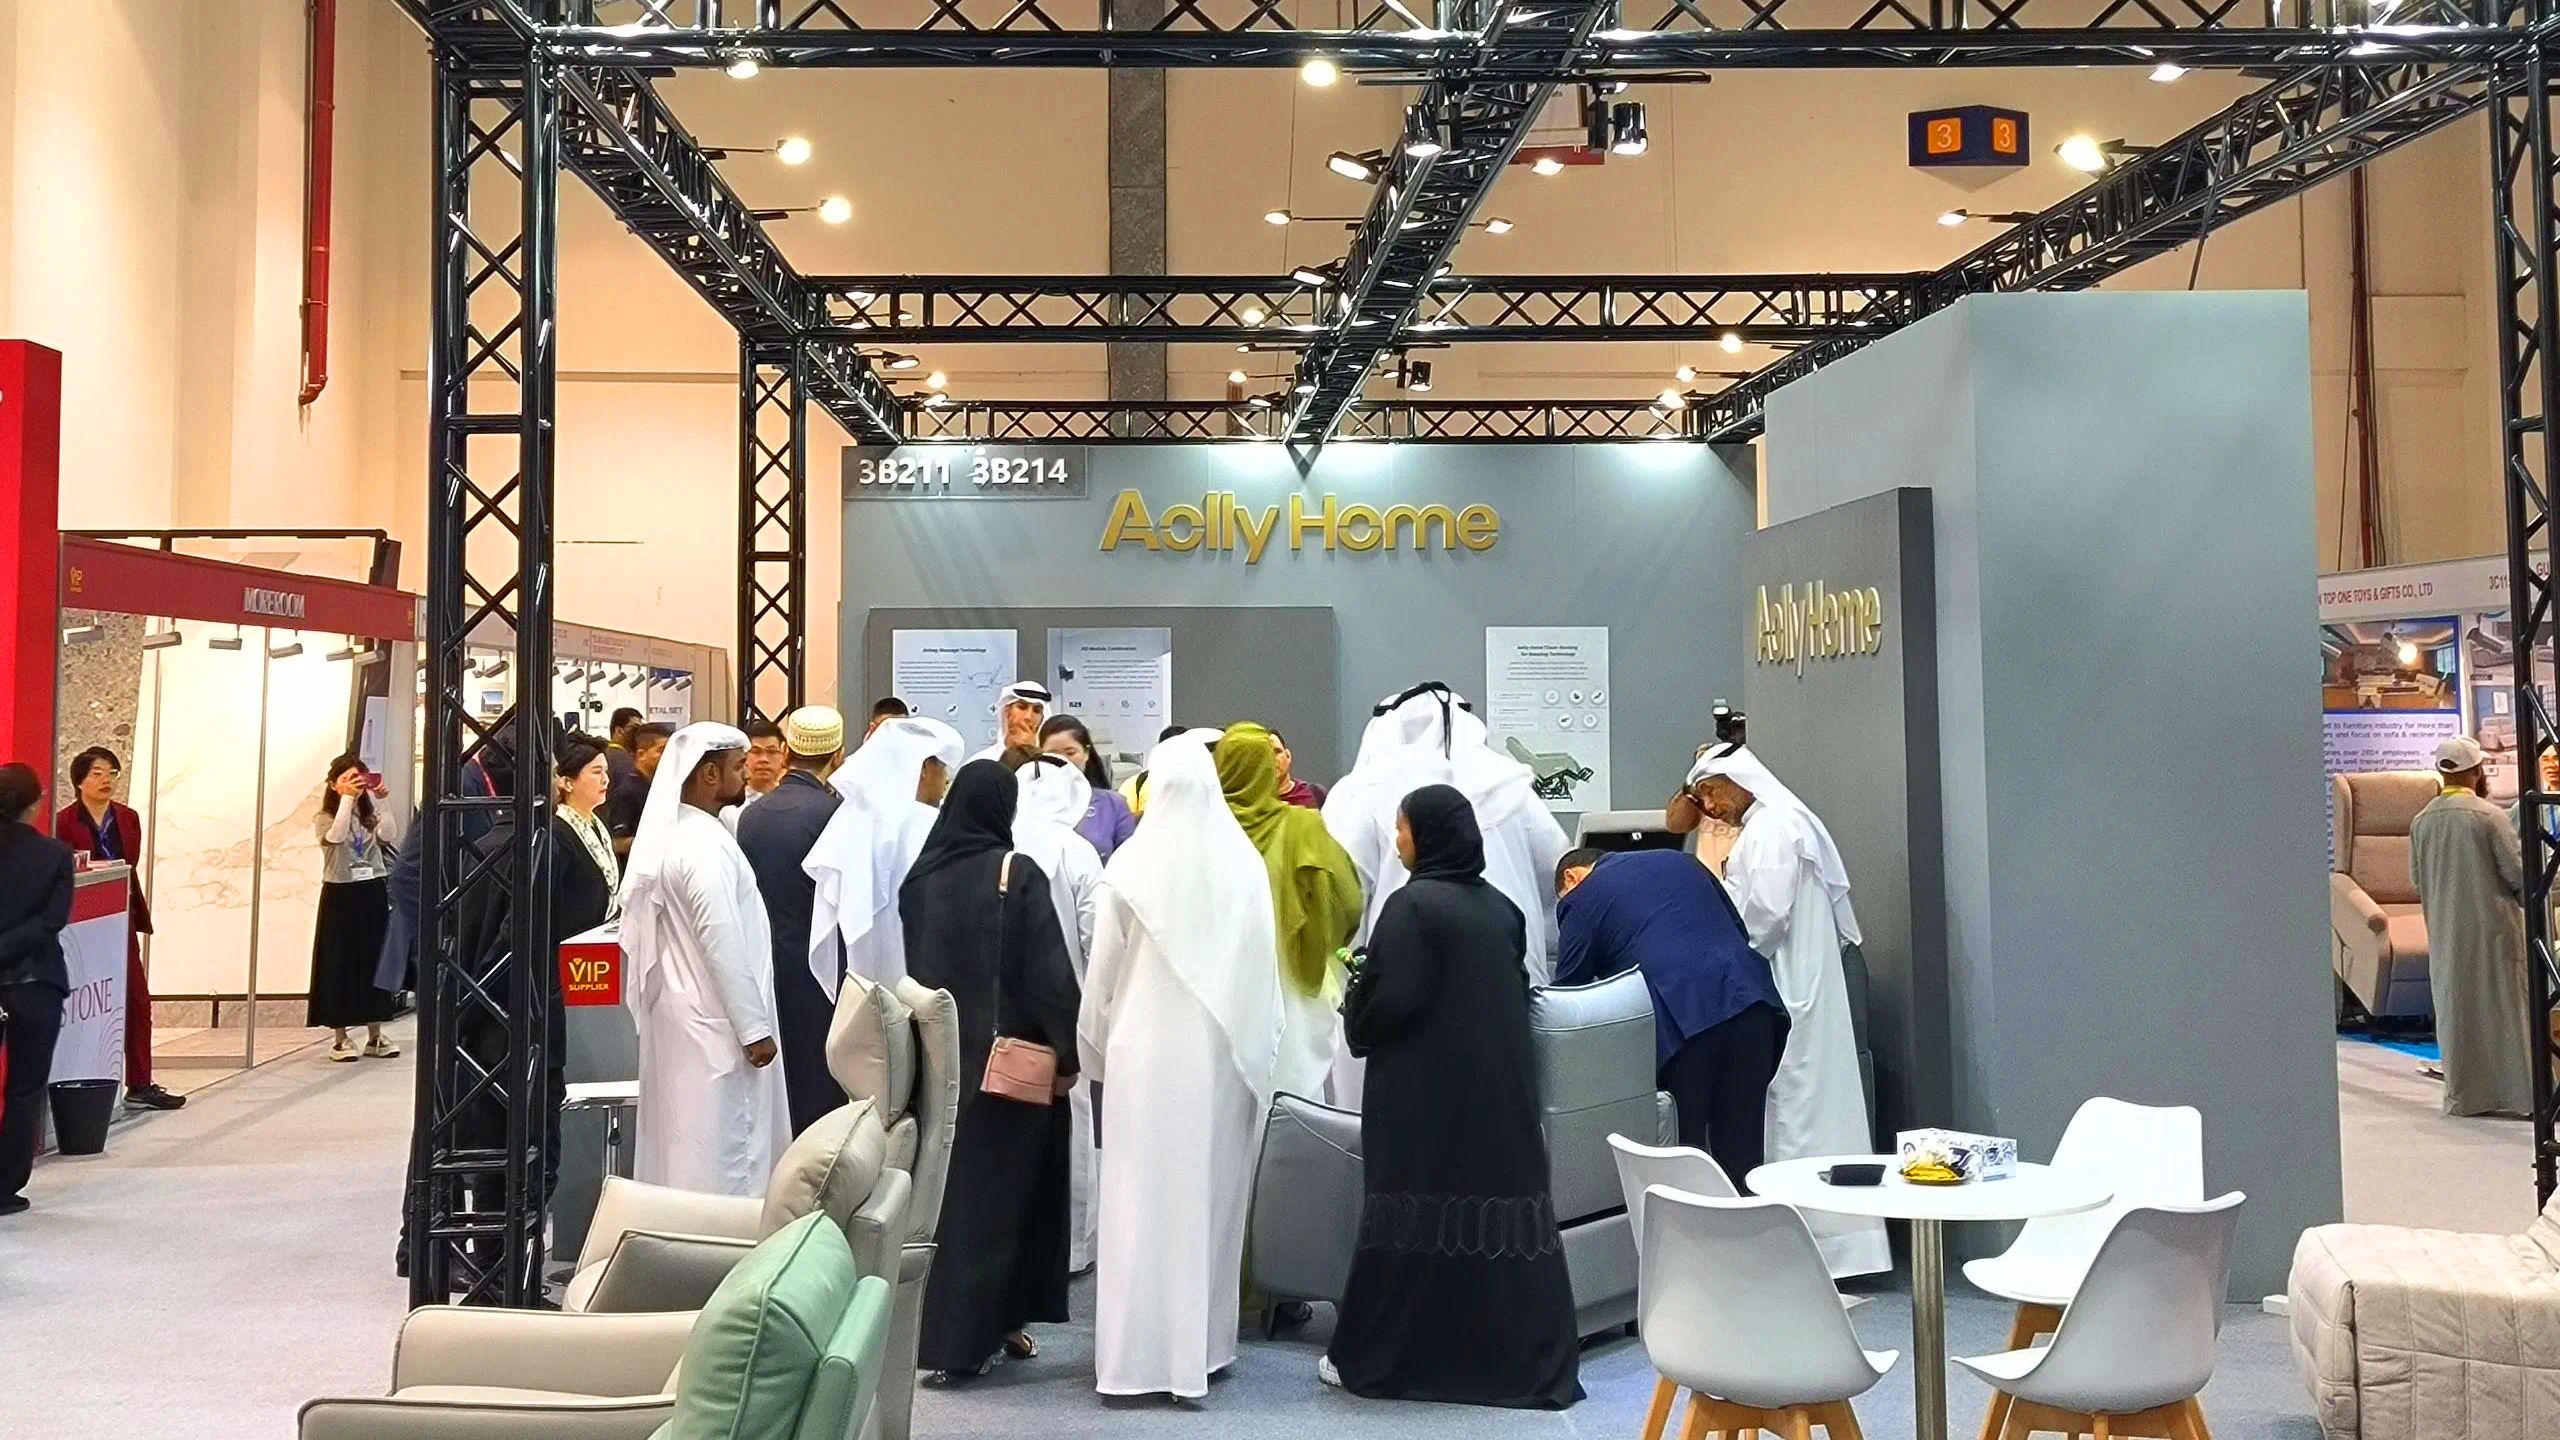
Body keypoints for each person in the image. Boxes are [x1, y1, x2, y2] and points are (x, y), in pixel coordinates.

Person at [1324, 785, 1580, 1408]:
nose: (1398, 841)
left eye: (1403, 828)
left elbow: (1388, 1002)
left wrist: (1356, 1002)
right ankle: (1515, 1366)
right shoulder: (1501, 909)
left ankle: (1386, 1358)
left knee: (1411, 1211)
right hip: (1498, 1094)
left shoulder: (1412, 906)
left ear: (1427, 836)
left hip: (1423, 1096)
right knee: (1494, 1217)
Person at [1079, 734, 1283, 1399]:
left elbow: (1102, 976)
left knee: (1138, 1198)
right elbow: (1262, 971)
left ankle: (1134, 1358)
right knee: (1209, 1195)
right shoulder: (1243, 864)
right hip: (1221, 1056)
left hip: (1142, 1052)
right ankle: (1203, 1349)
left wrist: (1093, 1048)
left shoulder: (1132, 866)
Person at [900, 760, 1084, 1380]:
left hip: (939, 1062)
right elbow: (1048, 975)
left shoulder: (921, 877)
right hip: (1009, 1071)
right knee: (1006, 1204)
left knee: (953, 1202)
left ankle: (968, 1331)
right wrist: (1068, 1053)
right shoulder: (1016, 873)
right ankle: (970, 1340)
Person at [1685, 745, 1889, 1277]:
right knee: (1803, 1107)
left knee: (1797, 1107)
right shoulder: (1772, 823)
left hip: (1790, 982)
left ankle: (1816, 1248)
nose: (1709, 806)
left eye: (1712, 792)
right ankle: (1823, 1247)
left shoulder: (1773, 827)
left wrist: (1725, 953)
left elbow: (1766, 916)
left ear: (1738, 781)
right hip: (1797, 979)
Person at [621, 723, 787, 1196]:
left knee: (687, 1144)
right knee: (723, 1153)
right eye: (738, 766)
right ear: (710, 775)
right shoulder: (700, 846)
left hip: (691, 1015)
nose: (746, 775)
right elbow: (721, 939)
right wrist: (753, 1028)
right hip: (715, 1024)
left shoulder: (689, 833)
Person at [1556, 847, 1787, 1183]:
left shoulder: (1581, 897)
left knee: (1686, 1159)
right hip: (1751, 999)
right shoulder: (1682, 861)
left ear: (1571, 877)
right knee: (1744, 1157)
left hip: (1683, 1024)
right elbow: (1737, 929)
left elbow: (1566, 999)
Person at [1214, 723, 1361, 1096]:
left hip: (1218, 986)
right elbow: (1346, 901)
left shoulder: (1203, 829)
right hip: (1291, 980)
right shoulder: (1302, 826)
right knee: (1290, 1095)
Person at [736, 706, 852, 1136]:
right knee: (820, 1087)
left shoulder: (752, 816)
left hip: (765, 967)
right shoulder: (835, 816)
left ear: (787, 753)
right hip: (822, 972)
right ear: (837, 755)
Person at [2411, 736, 2537, 1118]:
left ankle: (2466, 1098)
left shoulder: (2421, 821)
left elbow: (2417, 881)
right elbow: (2518, 874)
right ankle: (2520, 1098)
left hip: (2446, 938)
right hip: (2494, 934)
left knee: (2457, 1013)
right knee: (2506, 1015)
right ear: (2477, 771)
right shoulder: (2489, 817)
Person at [1015, 752, 1106, 1273]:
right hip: (1068, 1013)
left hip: (1008, 1014)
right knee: (1072, 1123)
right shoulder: (1078, 852)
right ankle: (1071, 1250)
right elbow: (1096, 937)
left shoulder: (1000, 845)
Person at [55, 747, 182, 1111]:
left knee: (137, 999)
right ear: (79, 780)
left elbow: (129, 865)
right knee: (85, 998)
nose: (106, 780)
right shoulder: (63, 822)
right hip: (80, 923)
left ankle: (140, 1082)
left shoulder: (127, 818)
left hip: (119, 917)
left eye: (111, 772)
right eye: (97, 773)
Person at [805, 715, 965, 990]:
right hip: (922, 979)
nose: (945, 781)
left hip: (863, 986)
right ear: (924, 768)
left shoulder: (851, 820)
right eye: (942, 769)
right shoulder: (927, 824)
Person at [0, 763, 75, 1217]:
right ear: (35, 803)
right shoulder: (55, 855)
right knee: (25, 1088)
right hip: (35, 982)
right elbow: (51, 921)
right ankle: (5, 1185)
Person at [310, 753, 400, 1062]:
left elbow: (389, 835)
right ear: (333, 784)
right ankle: (340, 1037)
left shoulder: (368, 815)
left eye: (358, 779)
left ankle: (375, 1034)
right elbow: (335, 836)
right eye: (347, 779)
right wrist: (347, 800)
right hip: (340, 893)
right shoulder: (325, 816)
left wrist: (382, 801)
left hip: (371, 889)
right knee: (339, 962)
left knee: (374, 961)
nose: (354, 785)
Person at [1039, 714, 1138, 860]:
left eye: (1070, 753)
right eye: (1053, 755)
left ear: (1086, 753)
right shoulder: (1027, 802)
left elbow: (1130, 860)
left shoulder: (1113, 804)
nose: (1063, 761)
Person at [606, 722, 669, 858]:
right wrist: (659, 843)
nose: (668, 756)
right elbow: (617, 842)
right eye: (661, 750)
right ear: (641, 754)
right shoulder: (626, 793)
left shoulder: (657, 788)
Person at [971, 680, 1053, 764]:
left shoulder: (1049, 764)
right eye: (1021, 707)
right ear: (1007, 711)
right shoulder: (981, 761)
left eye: (1036, 710)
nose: (1028, 717)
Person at [1270, 728, 1327, 810]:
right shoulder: (1253, 803)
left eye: (1277, 751)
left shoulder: (1317, 795)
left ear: (1288, 755)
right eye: (1265, 755)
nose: (1272, 759)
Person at [740, 718, 789, 806]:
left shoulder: (792, 799)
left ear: (783, 756)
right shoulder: (730, 803)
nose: (764, 759)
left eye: (772, 752)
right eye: (756, 751)